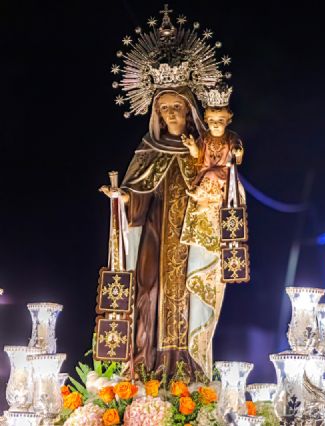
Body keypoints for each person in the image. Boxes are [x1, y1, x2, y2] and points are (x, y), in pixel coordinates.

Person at [100, 88, 225, 381]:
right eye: (164, 107)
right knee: (147, 292)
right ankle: (144, 365)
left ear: (188, 110)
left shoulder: (202, 151)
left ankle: (182, 371)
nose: (170, 113)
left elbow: (220, 185)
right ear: (157, 113)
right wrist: (123, 198)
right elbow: (139, 192)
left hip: (188, 237)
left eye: (176, 106)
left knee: (183, 297)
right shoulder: (149, 148)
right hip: (154, 237)